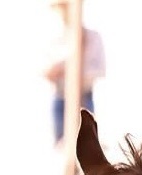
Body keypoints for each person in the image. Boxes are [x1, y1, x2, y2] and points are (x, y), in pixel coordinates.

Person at [45, 0, 107, 147]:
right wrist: (59, 70)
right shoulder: (54, 39)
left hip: (84, 97)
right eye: (61, 7)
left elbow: (99, 69)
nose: (64, 11)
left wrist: (70, 70)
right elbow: (44, 70)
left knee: (88, 145)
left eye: (66, 6)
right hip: (60, 98)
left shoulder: (93, 38)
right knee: (61, 147)